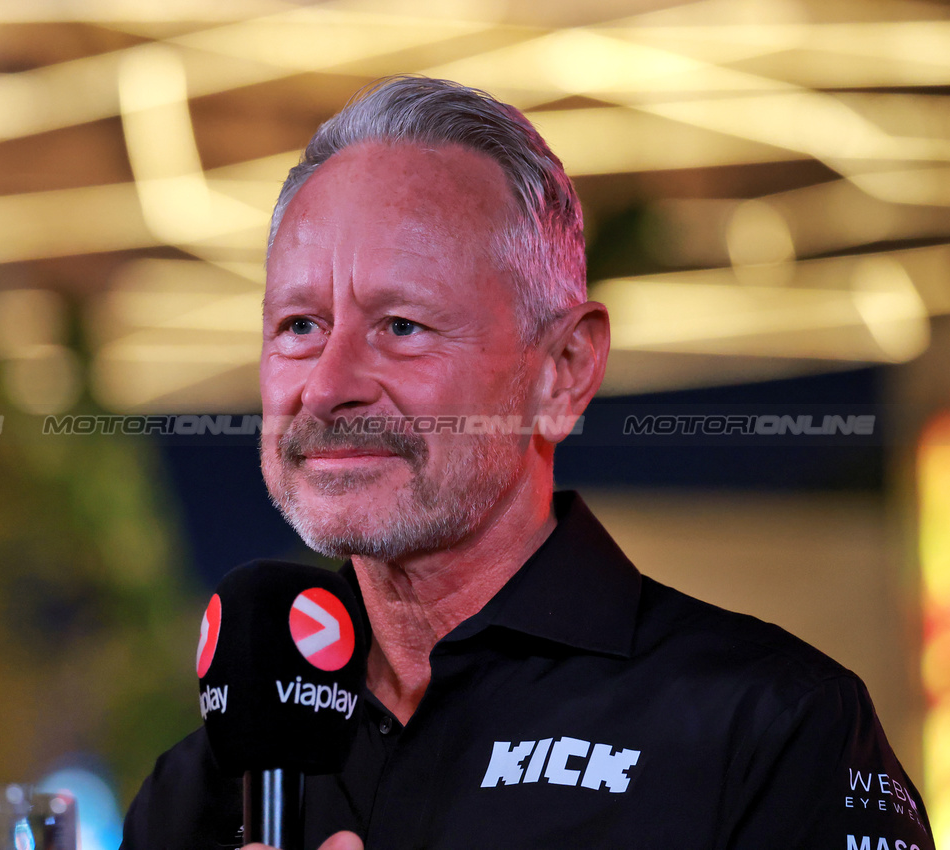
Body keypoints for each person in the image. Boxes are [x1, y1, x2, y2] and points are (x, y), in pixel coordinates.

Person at [121, 76, 935, 850]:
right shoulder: (196, 790)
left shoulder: (773, 726)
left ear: (564, 369)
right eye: (299, 325)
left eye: (401, 325)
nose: (328, 387)